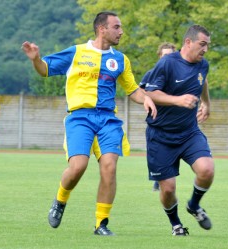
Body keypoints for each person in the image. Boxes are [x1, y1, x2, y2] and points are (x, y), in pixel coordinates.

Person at [21, 11, 157, 236]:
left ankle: (101, 224)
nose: (121, 31)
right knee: (78, 167)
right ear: (102, 28)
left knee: (110, 167)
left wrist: (147, 98)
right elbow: (45, 70)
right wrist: (36, 58)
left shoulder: (120, 60)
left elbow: (133, 90)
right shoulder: (77, 52)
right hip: (80, 118)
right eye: (116, 27)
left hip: (108, 120)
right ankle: (60, 201)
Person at [142, 24, 214, 236]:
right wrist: (177, 100)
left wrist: (207, 103)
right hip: (160, 136)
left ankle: (194, 205)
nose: (206, 49)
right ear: (188, 42)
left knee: (207, 170)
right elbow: (149, 93)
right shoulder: (167, 64)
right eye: (202, 44)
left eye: (208, 45)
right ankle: (176, 224)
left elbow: (203, 82)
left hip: (189, 132)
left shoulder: (203, 64)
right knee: (168, 189)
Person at [140, 42, 177, 191]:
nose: (167, 58)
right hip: (156, 122)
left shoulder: (179, 75)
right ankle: (158, 177)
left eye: (170, 55)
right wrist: (146, 100)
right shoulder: (151, 74)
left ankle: (164, 178)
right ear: (159, 57)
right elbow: (139, 91)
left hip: (175, 122)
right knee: (156, 152)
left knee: (174, 150)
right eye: (164, 55)